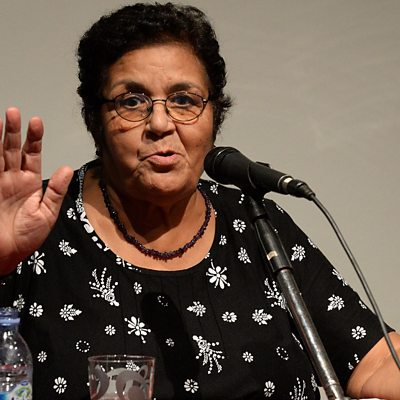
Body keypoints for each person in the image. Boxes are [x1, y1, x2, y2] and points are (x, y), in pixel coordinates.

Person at [0, 2, 399, 399]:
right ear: (95, 119)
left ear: (214, 115)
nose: (160, 123)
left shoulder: (256, 224)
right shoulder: (38, 223)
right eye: (132, 101)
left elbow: (376, 361)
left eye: (184, 100)